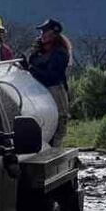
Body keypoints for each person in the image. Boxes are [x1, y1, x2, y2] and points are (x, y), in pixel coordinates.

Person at [25, 18, 72, 146]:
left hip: (54, 89)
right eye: (42, 33)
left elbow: (52, 76)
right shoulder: (39, 51)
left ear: (54, 35)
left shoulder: (60, 54)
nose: (42, 35)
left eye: (45, 32)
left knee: (60, 118)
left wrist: (31, 69)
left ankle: (55, 147)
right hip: (38, 90)